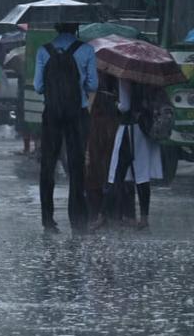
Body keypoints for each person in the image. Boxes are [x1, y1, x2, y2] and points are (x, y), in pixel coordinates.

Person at [34, 22, 97, 233]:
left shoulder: (44, 51)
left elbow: (38, 86)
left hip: (52, 114)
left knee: (48, 166)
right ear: (76, 27)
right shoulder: (86, 50)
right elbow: (93, 85)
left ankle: (48, 220)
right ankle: (77, 219)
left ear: (56, 27)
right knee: (77, 166)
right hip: (77, 114)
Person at [97, 77, 163, 231]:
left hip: (128, 130)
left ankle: (102, 215)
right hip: (142, 129)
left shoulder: (125, 78)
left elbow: (125, 107)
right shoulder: (146, 78)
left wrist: (115, 103)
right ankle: (144, 217)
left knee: (116, 174)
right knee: (142, 175)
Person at [85, 71, 135, 226]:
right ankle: (118, 212)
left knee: (101, 168)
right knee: (113, 170)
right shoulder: (123, 75)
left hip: (102, 125)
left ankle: (99, 212)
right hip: (114, 124)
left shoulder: (96, 74)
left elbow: (89, 103)